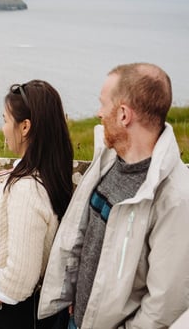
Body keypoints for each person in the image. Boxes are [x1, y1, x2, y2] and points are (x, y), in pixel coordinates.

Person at [38, 62, 189, 328]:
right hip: (76, 318)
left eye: (103, 103)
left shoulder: (175, 198)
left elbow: (164, 306)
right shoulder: (109, 159)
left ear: (123, 115)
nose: (98, 113)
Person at [0, 80, 74, 329]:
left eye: (6, 120)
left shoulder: (27, 188)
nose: (3, 128)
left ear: (25, 126)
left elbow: (22, 274)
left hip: (6, 310)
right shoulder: (49, 173)